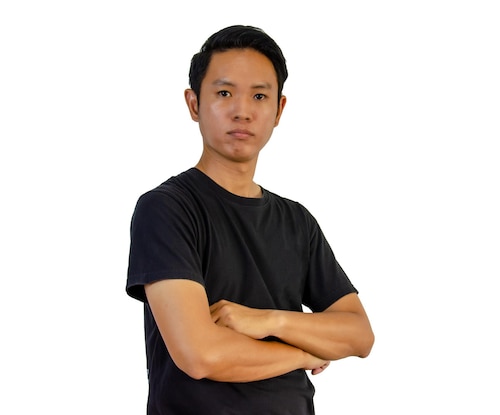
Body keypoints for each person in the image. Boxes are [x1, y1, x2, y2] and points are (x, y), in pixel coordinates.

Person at [126, 24, 375, 415]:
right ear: (193, 104)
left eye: (259, 95)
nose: (242, 110)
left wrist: (268, 321)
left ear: (278, 110)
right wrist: (302, 353)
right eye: (224, 93)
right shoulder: (167, 209)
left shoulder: (297, 221)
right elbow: (201, 354)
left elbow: (359, 335)